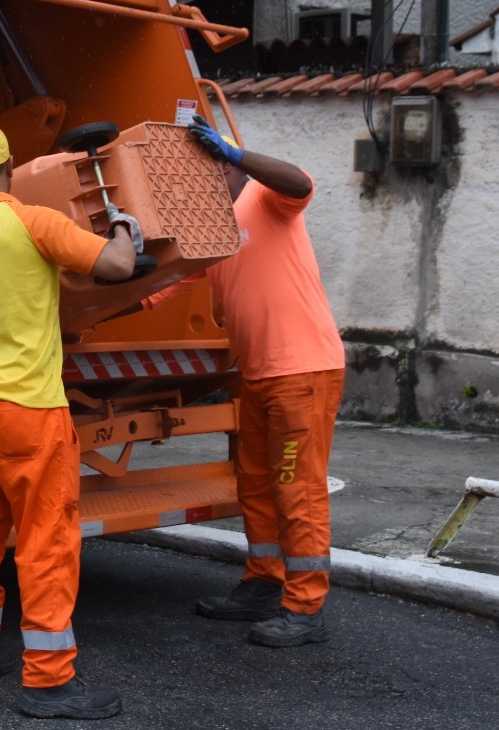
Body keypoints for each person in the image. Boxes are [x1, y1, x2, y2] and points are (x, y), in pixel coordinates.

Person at [0, 123, 135, 720]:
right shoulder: (36, 222)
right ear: (11, 167)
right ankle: (48, 681)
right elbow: (115, 267)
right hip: (30, 412)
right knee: (45, 544)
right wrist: (122, 225)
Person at [164, 114, 346, 647]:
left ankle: (305, 606)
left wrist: (237, 155)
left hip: (302, 369)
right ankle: (264, 584)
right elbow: (162, 283)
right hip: (258, 374)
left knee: (297, 488)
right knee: (258, 484)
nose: (200, 180)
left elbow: (301, 183)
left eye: (207, 168)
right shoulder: (215, 229)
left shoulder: (267, 198)